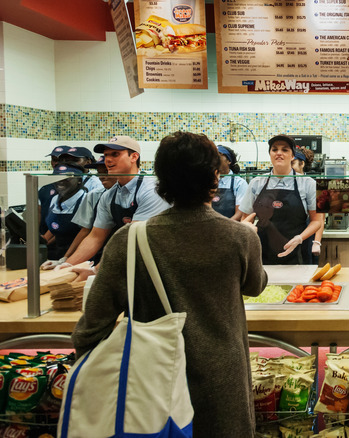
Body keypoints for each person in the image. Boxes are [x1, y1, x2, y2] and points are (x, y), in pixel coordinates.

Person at [72, 131, 266, 437]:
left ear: (160, 179)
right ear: (215, 177)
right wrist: (252, 238)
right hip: (222, 384)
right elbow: (255, 286)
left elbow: (91, 328)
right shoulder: (240, 237)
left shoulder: (129, 239)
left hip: (149, 386)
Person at [60, 136, 170, 268]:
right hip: (130, 260)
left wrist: (97, 270)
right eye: (106, 155)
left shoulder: (151, 190)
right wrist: (67, 264)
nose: (108, 160)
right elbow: (95, 237)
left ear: (134, 157)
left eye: (115, 154)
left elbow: (133, 238)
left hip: (158, 263)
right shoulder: (109, 195)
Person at [239, 135, 323, 265]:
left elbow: (316, 220)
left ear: (292, 155)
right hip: (261, 253)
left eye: (285, 149)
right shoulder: (257, 183)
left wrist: (300, 238)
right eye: (274, 149)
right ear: (270, 154)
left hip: (297, 252)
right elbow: (245, 218)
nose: (279, 153)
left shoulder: (308, 183)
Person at [42, 157, 119, 269]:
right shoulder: (94, 195)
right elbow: (86, 232)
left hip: (114, 255)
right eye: (99, 172)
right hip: (88, 256)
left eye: (106, 172)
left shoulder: (137, 193)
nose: (101, 176)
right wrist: (65, 260)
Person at [40, 164, 88, 263]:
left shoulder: (85, 200)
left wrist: (65, 259)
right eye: (57, 177)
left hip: (79, 257)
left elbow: (84, 232)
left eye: (66, 178)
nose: (60, 181)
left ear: (79, 180)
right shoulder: (55, 199)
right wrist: (41, 242)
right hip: (57, 255)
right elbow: (57, 227)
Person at [292, 147, 325, 264]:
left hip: (308, 236)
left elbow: (320, 218)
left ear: (302, 164)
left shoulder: (311, 184)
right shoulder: (285, 182)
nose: (289, 167)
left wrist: (316, 242)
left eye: (292, 163)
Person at [212, 145, 248, 220]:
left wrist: (226, 225)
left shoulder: (239, 183)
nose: (214, 158)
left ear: (229, 161)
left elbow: (240, 213)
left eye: (218, 155)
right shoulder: (208, 182)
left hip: (231, 226)